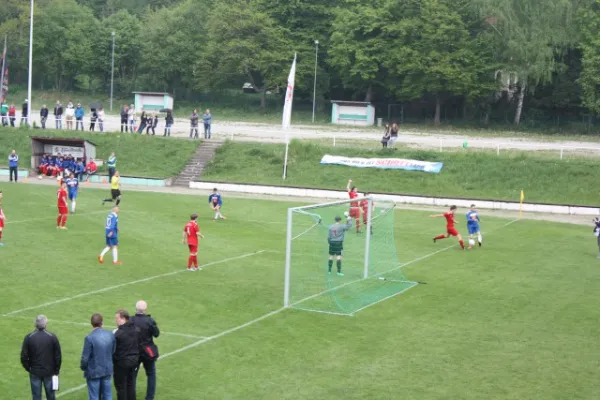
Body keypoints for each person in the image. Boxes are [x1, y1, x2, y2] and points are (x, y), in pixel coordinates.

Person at [20, 315, 62, 400]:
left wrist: (29, 368)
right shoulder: (52, 337)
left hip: (35, 371)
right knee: (51, 396)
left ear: (35, 324)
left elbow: (24, 356)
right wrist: (56, 370)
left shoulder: (29, 337)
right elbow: (58, 356)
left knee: (36, 396)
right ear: (46, 324)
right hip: (49, 371)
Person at [81, 313, 116, 400]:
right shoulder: (110, 334)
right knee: (107, 395)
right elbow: (113, 350)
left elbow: (85, 358)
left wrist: (83, 367)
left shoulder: (89, 338)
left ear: (91, 324)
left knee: (94, 396)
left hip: (94, 371)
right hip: (107, 369)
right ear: (102, 323)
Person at [131, 300, 160, 400]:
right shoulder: (150, 320)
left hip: (134, 351)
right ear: (146, 310)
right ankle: (149, 397)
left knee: (132, 375)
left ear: (136, 309)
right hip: (148, 351)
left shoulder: (131, 320)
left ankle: (131, 397)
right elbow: (156, 334)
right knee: (151, 374)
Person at [113, 309, 139, 400]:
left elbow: (114, 349)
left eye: (117, 318)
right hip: (134, 361)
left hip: (122, 363)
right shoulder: (136, 329)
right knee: (131, 384)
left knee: (121, 387)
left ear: (123, 318)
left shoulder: (118, 334)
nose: (115, 320)